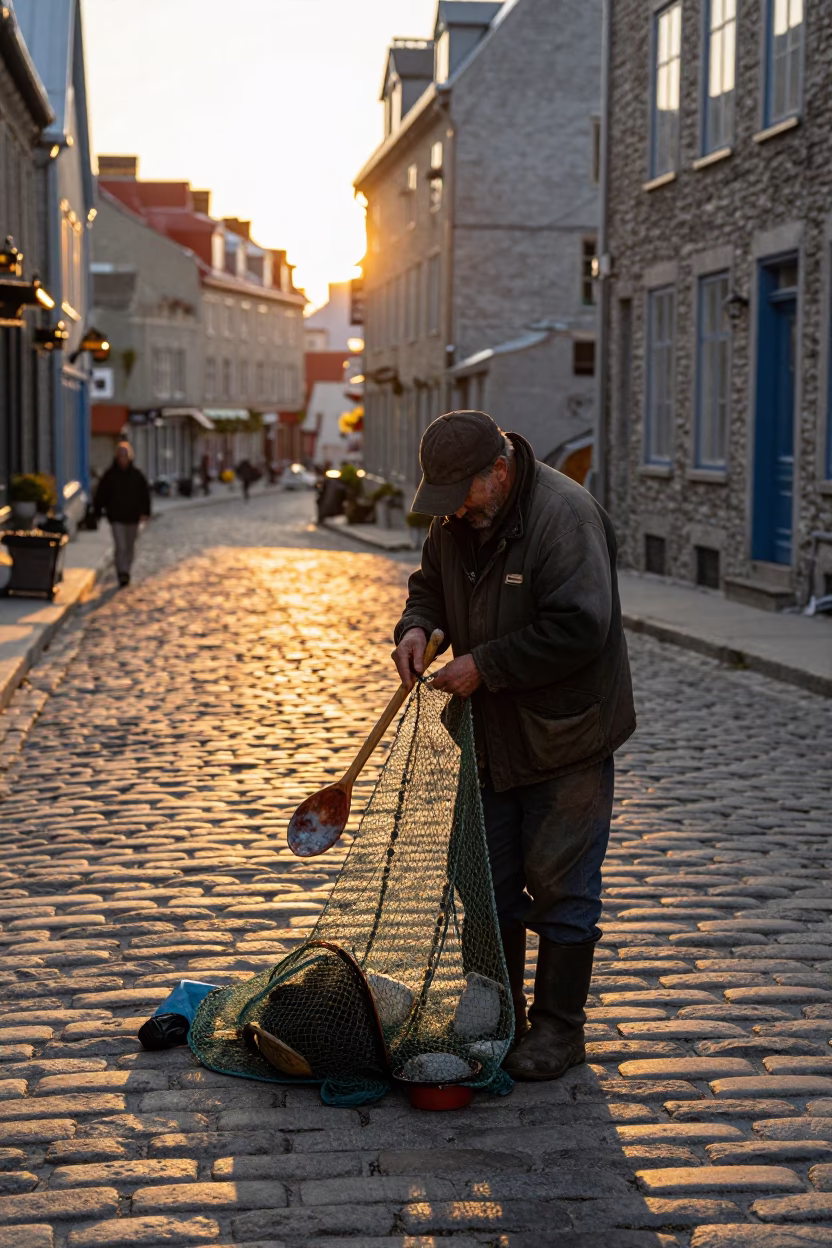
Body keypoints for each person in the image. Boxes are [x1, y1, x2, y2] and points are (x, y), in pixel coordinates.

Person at [391, 411, 636, 1082]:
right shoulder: (456, 521)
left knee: (561, 885)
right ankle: (499, 1014)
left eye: (462, 496)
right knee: (484, 879)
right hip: (488, 736)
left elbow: (581, 628)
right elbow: (430, 587)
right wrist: (417, 626)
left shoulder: (566, 517)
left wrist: (484, 666)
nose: (453, 514)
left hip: (567, 734)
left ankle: (560, 1028)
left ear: (496, 473)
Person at [94, 441, 151, 588]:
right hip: (116, 516)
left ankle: (127, 568)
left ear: (129, 457)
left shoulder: (137, 475)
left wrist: (145, 512)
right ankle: (122, 572)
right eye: (120, 456)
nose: (122, 459)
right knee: (120, 546)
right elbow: (101, 494)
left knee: (130, 546)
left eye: (125, 456)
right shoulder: (110, 475)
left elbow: (145, 494)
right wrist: (98, 511)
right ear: (116, 457)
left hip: (133, 516)